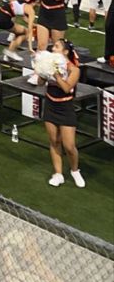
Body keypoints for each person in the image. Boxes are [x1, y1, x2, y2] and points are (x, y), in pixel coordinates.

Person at [43, 40, 85, 188]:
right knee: (54, 140)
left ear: (65, 52)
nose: (53, 48)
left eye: (56, 47)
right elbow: (41, 82)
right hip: (50, 104)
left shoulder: (74, 69)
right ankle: (58, 174)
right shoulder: (50, 63)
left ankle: (75, 170)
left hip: (65, 107)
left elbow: (67, 88)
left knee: (69, 145)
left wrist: (56, 74)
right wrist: (42, 69)